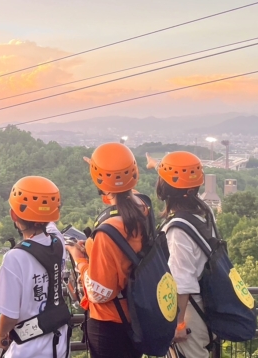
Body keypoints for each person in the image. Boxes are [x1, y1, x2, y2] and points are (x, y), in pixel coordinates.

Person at [67, 142, 151, 358]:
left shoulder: (107, 232)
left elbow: (100, 292)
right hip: (136, 316)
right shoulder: (143, 210)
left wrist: (80, 260)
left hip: (109, 323)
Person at [0, 175, 70, 358]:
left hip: (28, 349)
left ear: (13, 215)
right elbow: (50, 226)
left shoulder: (15, 258)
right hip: (58, 344)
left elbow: (10, 315)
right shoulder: (58, 243)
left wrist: (0, 335)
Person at [155, 151, 215, 358]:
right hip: (208, 303)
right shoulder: (204, 214)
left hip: (190, 310)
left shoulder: (178, 229)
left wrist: (178, 323)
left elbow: (182, 280)